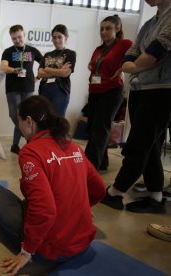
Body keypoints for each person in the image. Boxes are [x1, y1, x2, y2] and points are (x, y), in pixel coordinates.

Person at [0, 96, 106, 275]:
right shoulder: (74, 147)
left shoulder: (30, 152)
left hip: (50, 249)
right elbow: (99, 189)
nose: (19, 126)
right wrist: (81, 208)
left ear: (29, 122)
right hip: (82, 242)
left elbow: (44, 208)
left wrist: (26, 252)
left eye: (19, 121)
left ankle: (32, 246)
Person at [101, 0, 171, 214]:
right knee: (149, 148)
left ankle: (115, 192)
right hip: (142, 89)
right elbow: (131, 57)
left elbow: (154, 54)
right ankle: (156, 197)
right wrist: (136, 64)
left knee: (138, 145)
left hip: (161, 90)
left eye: (107, 28)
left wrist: (138, 64)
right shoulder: (151, 22)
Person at [84, 15, 132, 171]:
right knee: (92, 128)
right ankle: (102, 161)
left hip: (112, 91)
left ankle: (89, 167)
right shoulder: (99, 49)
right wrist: (92, 67)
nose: (103, 32)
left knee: (100, 128)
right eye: (101, 29)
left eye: (108, 28)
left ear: (117, 28)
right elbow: (93, 65)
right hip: (95, 90)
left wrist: (123, 68)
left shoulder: (125, 44)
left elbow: (137, 57)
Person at [1, 24, 43, 155]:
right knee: (15, 116)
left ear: (24, 34)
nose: (17, 40)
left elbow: (43, 63)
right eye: (14, 38)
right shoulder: (8, 51)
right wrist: (15, 70)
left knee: (25, 116)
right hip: (12, 89)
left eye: (19, 37)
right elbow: (3, 67)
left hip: (28, 88)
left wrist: (39, 75)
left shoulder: (32, 50)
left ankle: (15, 145)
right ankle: (30, 139)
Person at [37, 24, 76, 117]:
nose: (56, 40)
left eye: (59, 37)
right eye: (54, 37)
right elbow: (40, 73)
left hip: (61, 90)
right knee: (43, 119)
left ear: (66, 37)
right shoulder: (47, 55)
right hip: (45, 89)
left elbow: (65, 73)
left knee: (57, 120)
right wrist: (58, 71)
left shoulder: (70, 54)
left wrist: (47, 69)